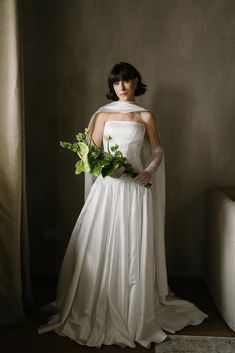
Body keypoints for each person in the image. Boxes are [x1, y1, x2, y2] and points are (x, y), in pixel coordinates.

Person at [39, 62, 207, 348]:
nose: (122, 86)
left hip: (136, 189)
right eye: (116, 82)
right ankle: (99, 305)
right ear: (112, 85)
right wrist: (106, 168)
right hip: (109, 190)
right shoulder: (103, 115)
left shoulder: (146, 115)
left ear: (136, 81)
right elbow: (90, 153)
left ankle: (134, 309)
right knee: (101, 244)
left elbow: (157, 150)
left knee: (132, 246)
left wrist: (150, 170)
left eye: (127, 80)